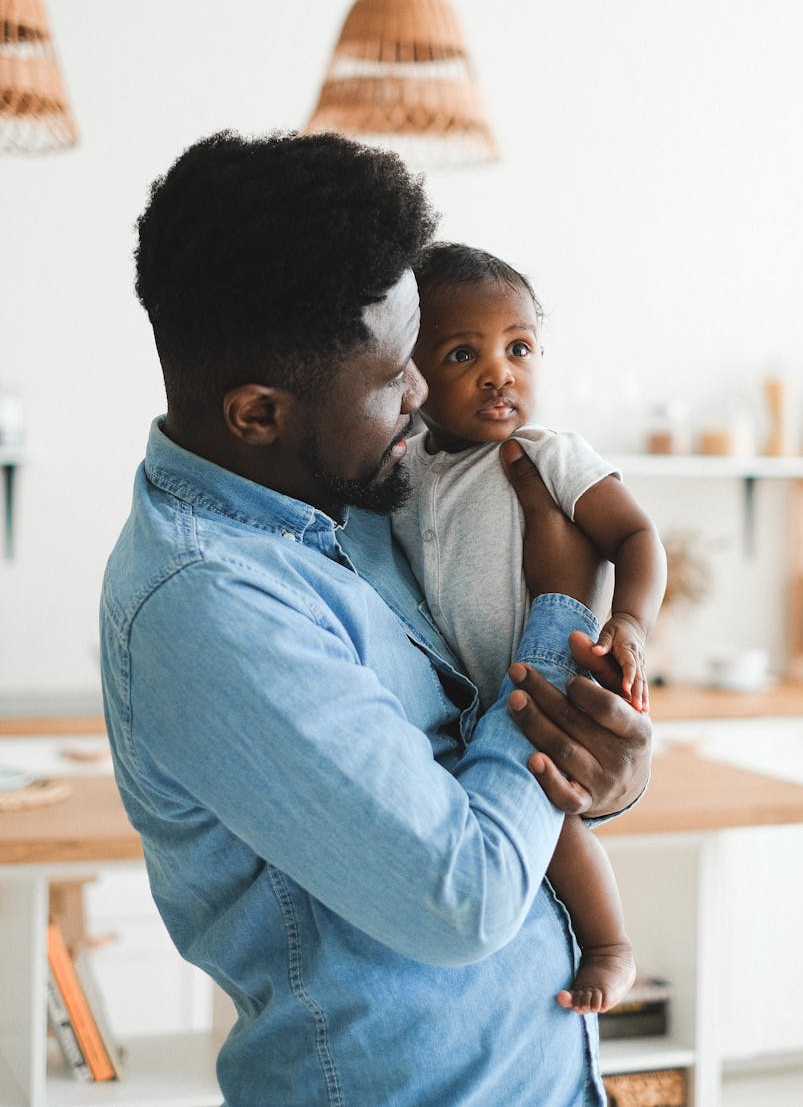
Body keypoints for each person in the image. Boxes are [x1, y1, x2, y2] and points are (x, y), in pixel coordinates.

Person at [99, 130, 652, 1107]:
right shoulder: (211, 602)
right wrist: (559, 606)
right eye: (396, 370)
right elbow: (465, 895)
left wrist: (596, 765)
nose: (424, 394)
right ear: (258, 414)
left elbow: (487, 760)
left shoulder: (359, 501)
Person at [392, 241, 667, 1017]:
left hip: (549, 676)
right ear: (409, 376)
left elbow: (637, 538)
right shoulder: (403, 470)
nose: (498, 372)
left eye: (517, 348)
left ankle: (609, 945)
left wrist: (631, 626)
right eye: (460, 353)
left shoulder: (549, 455)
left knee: (553, 811)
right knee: (503, 831)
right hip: (473, 698)